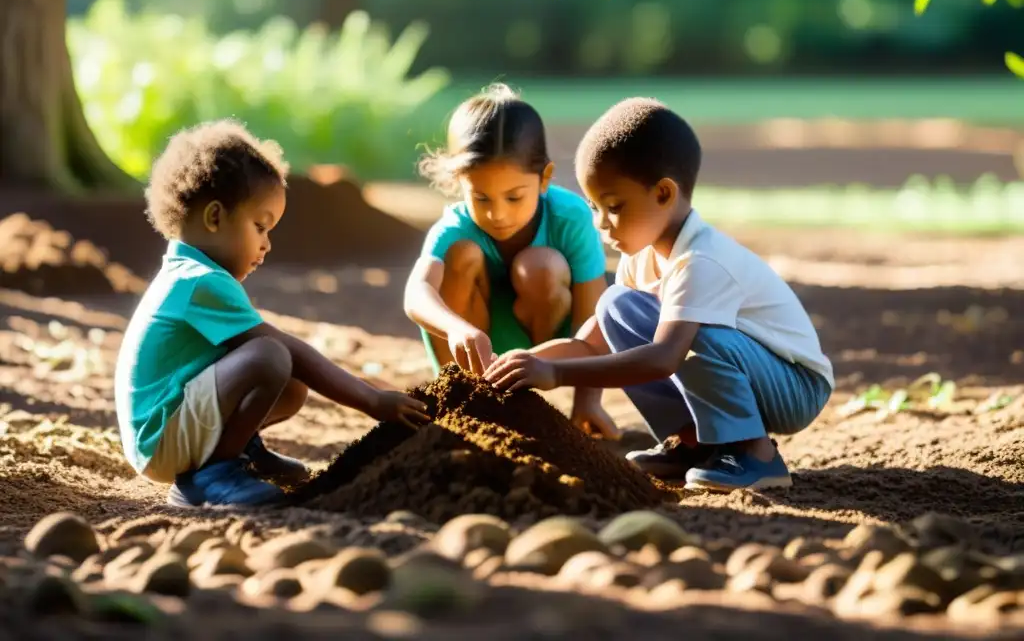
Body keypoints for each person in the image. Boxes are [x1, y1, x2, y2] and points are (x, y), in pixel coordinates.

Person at [484, 98, 834, 492]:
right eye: (594, 208)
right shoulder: (643, 258)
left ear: (664, 194)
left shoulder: (701, 261)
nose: (601, 224)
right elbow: (589, 345)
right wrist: (527, 362)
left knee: (694, 334)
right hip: (747, 369)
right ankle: (696, 442)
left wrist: (557, 374)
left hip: (796, 386)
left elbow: (664, 358)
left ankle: (755, 455)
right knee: (617, 306)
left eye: (613, 207)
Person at [115, 119, 431, 507]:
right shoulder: (200, 281)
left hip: (163, 432)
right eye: (260, 227)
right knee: (270, 357)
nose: (266, 245)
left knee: (287, 377)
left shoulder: (187, 272)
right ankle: (210, 474)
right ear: (215, 217)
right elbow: (280, 347)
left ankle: (242, 452)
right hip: (161, 442)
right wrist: (371, 400)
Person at [404, 83, 619, 439]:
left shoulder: (570, 217)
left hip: (546, 353)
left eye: (514, 197)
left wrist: (588, 402)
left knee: (541, 266)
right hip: (473, 352)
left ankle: (523, 396)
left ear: (544, 178)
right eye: (481, 197)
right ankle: (462, 398)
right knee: (463, 254)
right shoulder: (454, 228)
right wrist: (456, 328)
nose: (497, 213)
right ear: (460, 183)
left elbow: (592, 316)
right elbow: (417, 293)